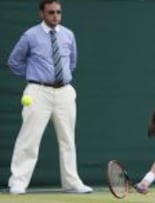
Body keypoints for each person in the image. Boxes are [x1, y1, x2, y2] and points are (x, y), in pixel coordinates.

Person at [7, 0, 92, 194]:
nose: (55, 16)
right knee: (29, 139)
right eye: (51, 12)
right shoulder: (30, 35)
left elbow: (72, 63)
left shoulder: (69, 35)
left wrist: (60, 79)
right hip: (38, 92)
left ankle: (72, 182)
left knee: (68, 139)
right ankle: (18, 183)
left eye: (58, 12)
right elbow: (14, 61)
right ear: (42, 14)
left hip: (65, 92)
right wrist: (34, 76)